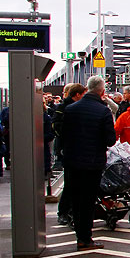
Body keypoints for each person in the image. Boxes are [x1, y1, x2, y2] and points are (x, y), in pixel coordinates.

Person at [62, 75, 116, 250]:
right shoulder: (103, 111)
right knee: (87, 201)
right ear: (101, 91)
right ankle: (86, 238)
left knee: (76, 200)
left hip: (72, 162)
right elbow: (110, 140)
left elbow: (63, 136)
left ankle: (80, 236)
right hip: (93, 163)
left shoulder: (70, 109)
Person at [54, 83, 87, 226]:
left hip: (78, 149)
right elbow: (56, 126)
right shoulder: (64, 107)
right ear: (78, 95)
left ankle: (73, 210)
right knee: (70, 183)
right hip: (70, 150)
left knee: (77, 183)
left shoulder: (77, 107)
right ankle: (63, 212)